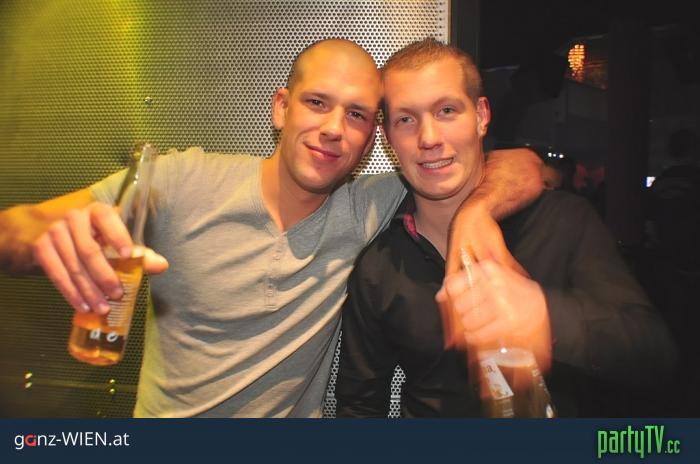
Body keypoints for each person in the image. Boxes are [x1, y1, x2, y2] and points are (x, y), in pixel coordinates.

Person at [0, 39, 543, 417]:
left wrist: (476, 213)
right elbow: (15, 230)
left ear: (371, 138)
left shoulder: (367, 207)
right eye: (317, 103)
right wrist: (47, 239)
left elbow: (523, 165)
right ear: (281, 108)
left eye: (356, 115)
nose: (333, 129)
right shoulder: (179, 180)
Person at [335, 38, 678, 418]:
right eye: (405, 119)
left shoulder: (564, 222)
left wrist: (545, 317)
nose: (428, 138)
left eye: (447, 110)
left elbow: (655, 356)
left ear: (481, 116)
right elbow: (358, 406)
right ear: (387, 138)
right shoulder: (380, 266)